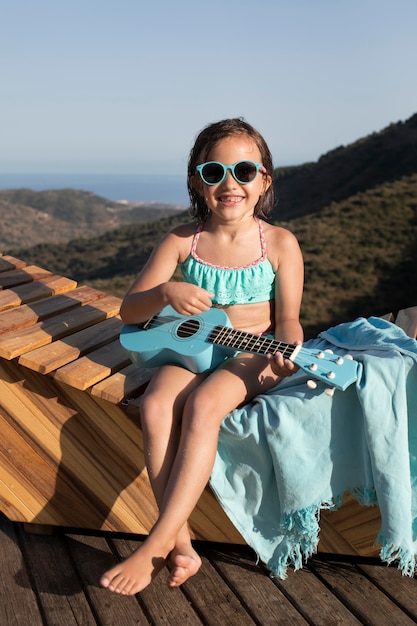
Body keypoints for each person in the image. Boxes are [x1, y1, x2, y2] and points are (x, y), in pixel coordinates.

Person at [100, 118, 304, 595]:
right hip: (190, 350)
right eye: (214, 172)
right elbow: (130, 309)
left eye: (244, 170)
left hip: (248, 356)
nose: (229, 184)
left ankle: (154, 546)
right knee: (154, 406)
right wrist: (167, 292)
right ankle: (184, 545)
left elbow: (289, 319)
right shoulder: (179, 242)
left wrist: (289, 347)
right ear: (196, 180)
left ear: (264, 180)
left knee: (204, 406)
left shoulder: (278, 244)